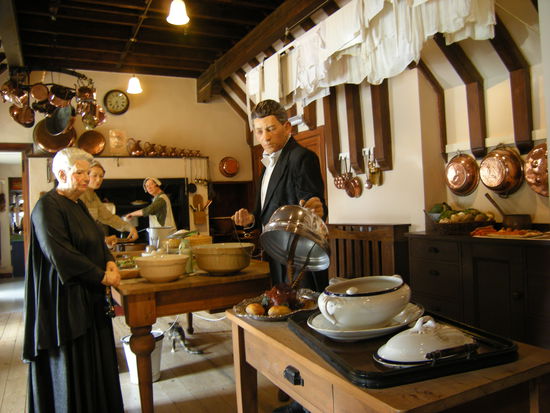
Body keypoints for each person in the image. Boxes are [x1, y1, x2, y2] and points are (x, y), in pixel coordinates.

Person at [23, 147, 124, 413]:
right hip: (64, 302)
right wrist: (102, 276)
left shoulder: (78, 204)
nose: (86, 178)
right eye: (80, 173)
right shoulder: (47, 207)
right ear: (61, 174)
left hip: (89, 295)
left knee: (95, 363)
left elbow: (96, 238)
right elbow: (61, 254)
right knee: (73, 365)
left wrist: (110, 261)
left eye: (87, 173)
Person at [232, 99, 328, 290]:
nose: (265, 137)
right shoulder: (266, 166)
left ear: (287, 127)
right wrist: (250, 219)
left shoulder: (302, 158)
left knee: (303, 307)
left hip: (299, 259)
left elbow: (314, 206)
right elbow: (263, 213)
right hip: (275, 253)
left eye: (271, 129)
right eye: (259, 131)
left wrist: (317, 209)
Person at [80, 160, 138, 245]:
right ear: (86, 175)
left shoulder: (93, 196)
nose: (98, 180)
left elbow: (108, 217)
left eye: (101, 176)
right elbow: (80, 226)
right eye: (94, 176)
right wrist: (103, 239)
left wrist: (129, 227)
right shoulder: (79, 195)